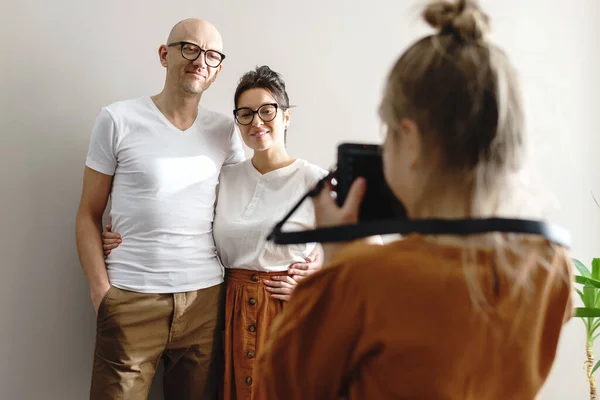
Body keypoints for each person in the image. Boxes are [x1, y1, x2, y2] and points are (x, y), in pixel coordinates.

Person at [255, 1, 575, 399]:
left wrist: (338, 259)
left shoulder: (357, 284)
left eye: (387, 132)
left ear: (411, 141)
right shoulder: (550, 268)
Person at [102, 65, 329, 399]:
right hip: (229, 312)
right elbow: (185, 215)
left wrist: (320, 267)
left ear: (286, 117)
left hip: (286, 311)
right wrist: (122, 233)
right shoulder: (227, 176)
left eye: (267, 111)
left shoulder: (317, 181)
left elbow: (369, 247)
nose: (256, 122)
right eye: (245, 114)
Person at [76, 18, 242, 400]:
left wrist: (309, 252)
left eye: (211, 55)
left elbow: (247, 206)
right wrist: (103, 295)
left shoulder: (226, 131)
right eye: (189, 48)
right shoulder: (118, 119)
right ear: (164, 54)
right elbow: (87, 213)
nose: (200, 60)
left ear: (217, 70)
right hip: (131, 297)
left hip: (205, 299)